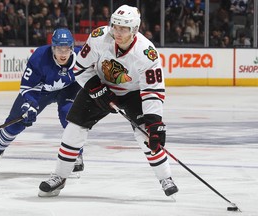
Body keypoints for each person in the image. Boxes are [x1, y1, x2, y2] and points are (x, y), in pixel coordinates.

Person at [38, 5, 178, 197]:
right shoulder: (99, 37)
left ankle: (165, 178)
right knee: (74, 128)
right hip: (100, 86)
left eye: (123, 28)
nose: (117, 32)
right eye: (115, 26)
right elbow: (81, 68)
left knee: (146, 135)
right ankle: (59, 176)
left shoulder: (147, 53)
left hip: (133, 93)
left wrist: (154, 124)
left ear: (134, 29)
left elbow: (152, 91)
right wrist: (97, 89)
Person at [0, 28, 84, 173]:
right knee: (16, 121)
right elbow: (28, 86)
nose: (63, 53)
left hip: (68, 89)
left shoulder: (82, 56)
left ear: (72, 48)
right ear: (53, 47)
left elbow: (95, 71)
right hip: (42, 91)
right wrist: (29, 104)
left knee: (69, 115)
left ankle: (76, 154)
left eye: (66, 49)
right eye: (59, 49)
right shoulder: (40, 57)